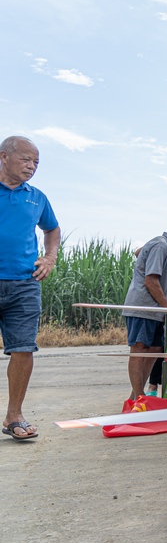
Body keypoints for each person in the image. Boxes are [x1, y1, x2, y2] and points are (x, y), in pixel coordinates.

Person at [0, 136, 60, 441]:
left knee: (23, 349)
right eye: (26, 160)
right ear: (4, 156)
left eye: (36, 162)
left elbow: (52, 229)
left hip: (25, 284)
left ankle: (14, 416)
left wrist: (49, 257)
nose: (32, 167)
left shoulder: (37, 197)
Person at [122, 215, 167, 400]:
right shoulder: (161, 245)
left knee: (155, 350)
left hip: (156, 311)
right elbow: (151, 280)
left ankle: (137, 396)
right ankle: (138, 398)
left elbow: (139, 252)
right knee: (139, 350)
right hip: (143, 308)